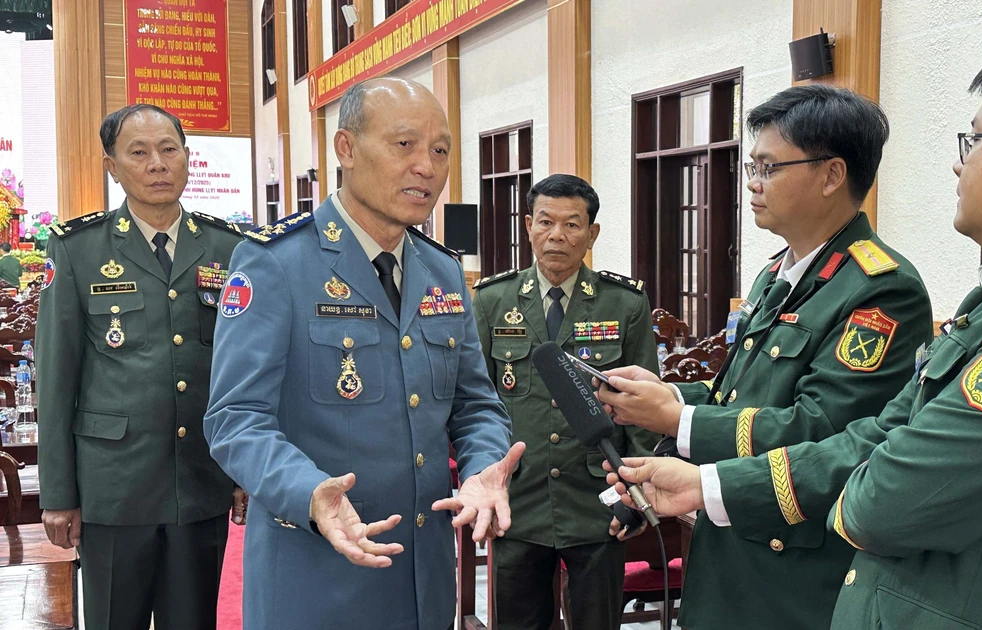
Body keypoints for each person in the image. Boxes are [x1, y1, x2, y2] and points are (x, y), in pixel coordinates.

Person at [606, 31, 982, 629]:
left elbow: (879, 501)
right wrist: (709, 483)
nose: (961, 160)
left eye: (977, 138)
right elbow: (881, 434)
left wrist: (699, 443)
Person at [594, 85, 932, 629]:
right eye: (752, 165)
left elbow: (824, 430)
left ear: (831, 175)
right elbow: (740, 395)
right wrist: (666, 396)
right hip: (725, 552)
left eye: (769, 168)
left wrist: (679, 419)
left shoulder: (881, 290)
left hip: (791, 573)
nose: (751, 182)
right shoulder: (778, 273)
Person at [203, 77, 522, 630]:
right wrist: (309, 494)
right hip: (315, 578)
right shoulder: (275, 262)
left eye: (440, 149)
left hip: (421, 582)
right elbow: (235, 420)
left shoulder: (442, 271)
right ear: (345, 148)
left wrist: (481, 469)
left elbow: (475, 404)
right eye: (405, 145)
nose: (427, 166)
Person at [34, 104, 247, 630]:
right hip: (113, 488)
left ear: (187, 158)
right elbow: (57, 381)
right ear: (113, 166)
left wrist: (246, 470)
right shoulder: (79, 249)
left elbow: (245, 372)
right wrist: (59, 495)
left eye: (169, 149)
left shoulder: (229, 247)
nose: (157, 163)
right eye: (139, 152)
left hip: (201, 480)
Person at [472, 173, 660, 630]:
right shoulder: (493, 300)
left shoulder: (624, 303)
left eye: (572, 225)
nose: (557, 235)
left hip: (597, 503)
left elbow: (643, 414)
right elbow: (477, 401)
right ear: (528, 226)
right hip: (519, 499)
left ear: (591, 234)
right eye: (546, 222)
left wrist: (634, 496)